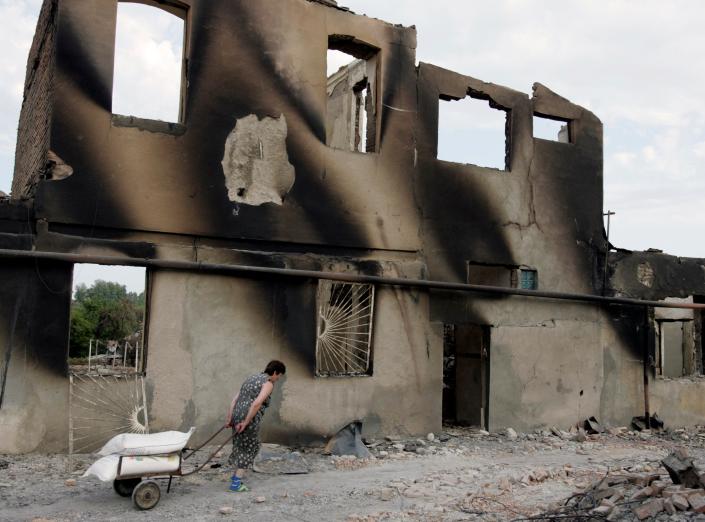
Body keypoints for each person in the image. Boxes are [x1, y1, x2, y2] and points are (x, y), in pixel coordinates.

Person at [225, 360, 286, 492]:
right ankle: (236, 483)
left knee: (240, 444)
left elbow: (235, 399)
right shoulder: (268, 383)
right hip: (248, 417)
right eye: (279, 376)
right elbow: (256, 404)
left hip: (237, 413)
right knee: (250, 447)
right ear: (275, 372)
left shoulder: (251, 378)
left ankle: (235, 477)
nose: (277, 379)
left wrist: (230, 418)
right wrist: (246, 422)